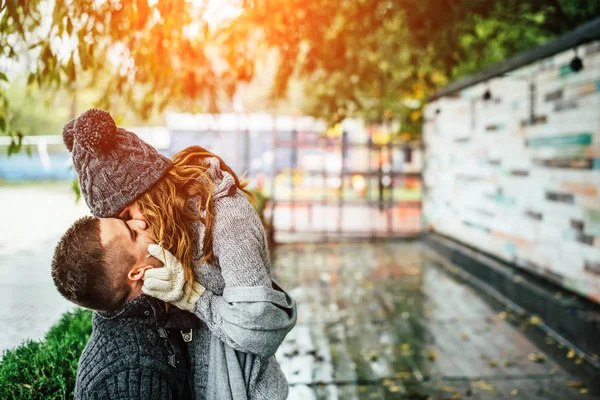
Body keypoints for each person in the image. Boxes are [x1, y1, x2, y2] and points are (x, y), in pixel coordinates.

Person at [62, 109, 297, 400]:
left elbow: (262, 327)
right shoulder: (163, 229)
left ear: (145, 187)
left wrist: (193, 298)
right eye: (124, 224)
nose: (138, 225)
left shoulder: (224, 215)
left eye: (127, 214)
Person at [51, 216, 199, 399]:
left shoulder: (135, 317)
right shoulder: (135, 372)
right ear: (137, 273)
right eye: (133, 233)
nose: (141, 222)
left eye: (126, 219)